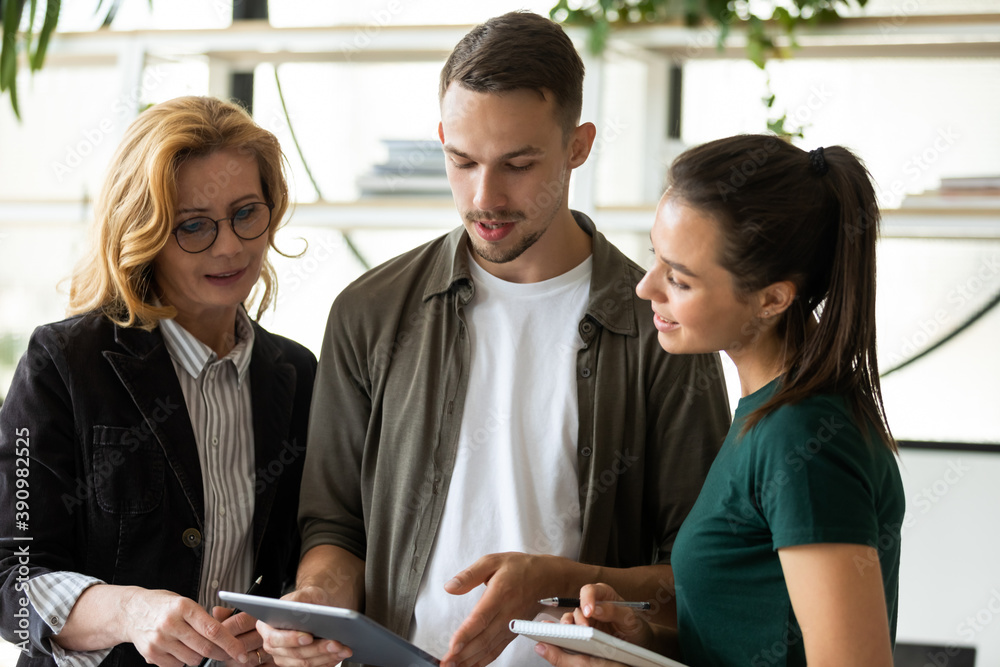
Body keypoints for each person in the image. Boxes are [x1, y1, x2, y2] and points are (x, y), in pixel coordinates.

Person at [258, 11, 731, 667]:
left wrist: (594, 601)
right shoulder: (370, 312)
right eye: (462, 160)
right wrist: (312, 603)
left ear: (579, 145)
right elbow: (337, 527)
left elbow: (700, 569)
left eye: (518, 163)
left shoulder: (662, 327)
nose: (485, 196)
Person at [533, 134, 906, 667]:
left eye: (679, 280)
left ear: (772, 298)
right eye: (655, 258)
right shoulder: (767, 414)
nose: (646, 288)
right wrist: (641, 642)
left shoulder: (802, 439)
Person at [0, 96, 317, 667]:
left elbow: (303, 559)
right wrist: (130, 612)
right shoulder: (63, 363)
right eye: (192, 225)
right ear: (142, 230)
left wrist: (287, 626)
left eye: (247, 212)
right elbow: (10, 581)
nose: (229, 246)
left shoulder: (297, 374)